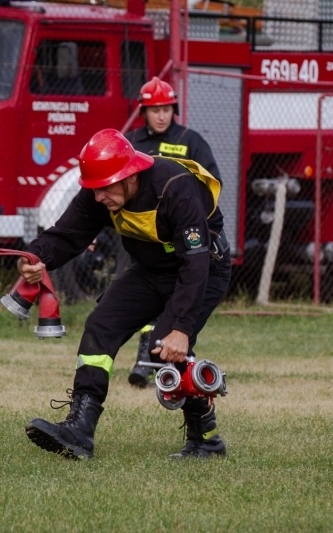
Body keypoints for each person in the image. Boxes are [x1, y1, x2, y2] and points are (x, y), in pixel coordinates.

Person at [17, 128, 231, 460]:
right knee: (101, 326)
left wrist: (182, 328)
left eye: (105, 189)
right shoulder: (100, 191)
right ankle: (80, 429)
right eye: (95, 191)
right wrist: (35, 257)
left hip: (203, 267)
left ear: (130, 175)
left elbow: (195, 262)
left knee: (165, 347)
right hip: (150, 270)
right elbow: (67, 234)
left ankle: (207, 439)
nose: (100, 198)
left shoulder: (176, 187)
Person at [123, 76, 222, 388]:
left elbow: (211, 184)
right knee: (142, 297)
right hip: (138, 239)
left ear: (173, 109)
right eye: (155, 110)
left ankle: (156, 362)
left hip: (180, 239)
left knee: (177, 297)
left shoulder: (191, 141)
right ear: (145, 112)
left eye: (166, 109)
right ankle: (150, 357)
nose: (161, 115)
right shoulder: (131, 143)